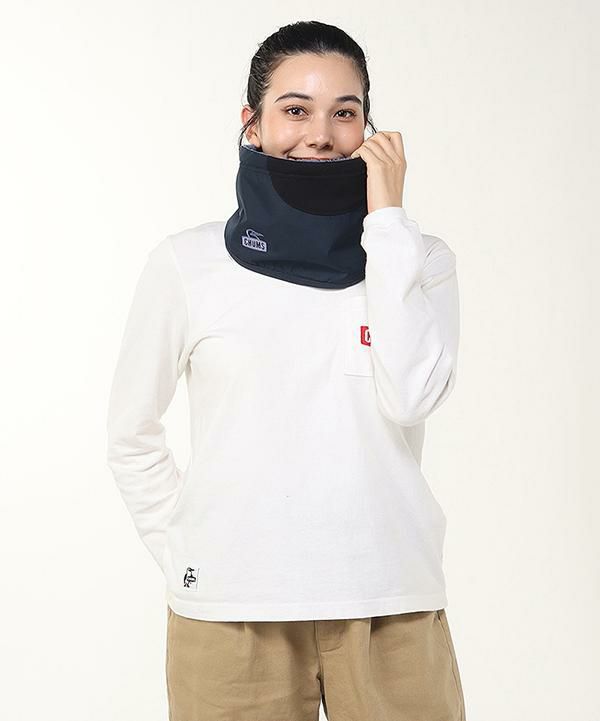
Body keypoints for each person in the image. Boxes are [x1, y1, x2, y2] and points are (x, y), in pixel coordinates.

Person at [106, 19, 466, 721]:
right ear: (253, 122)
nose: (320, 134)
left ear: (370, 128)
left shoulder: (419, 258)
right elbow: (130, 433)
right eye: (296, 109)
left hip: (390, 595)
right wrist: (187, 549)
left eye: (345, 112)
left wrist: (388, 221)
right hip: (231, 610)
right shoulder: (187, 264)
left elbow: (412, 395)